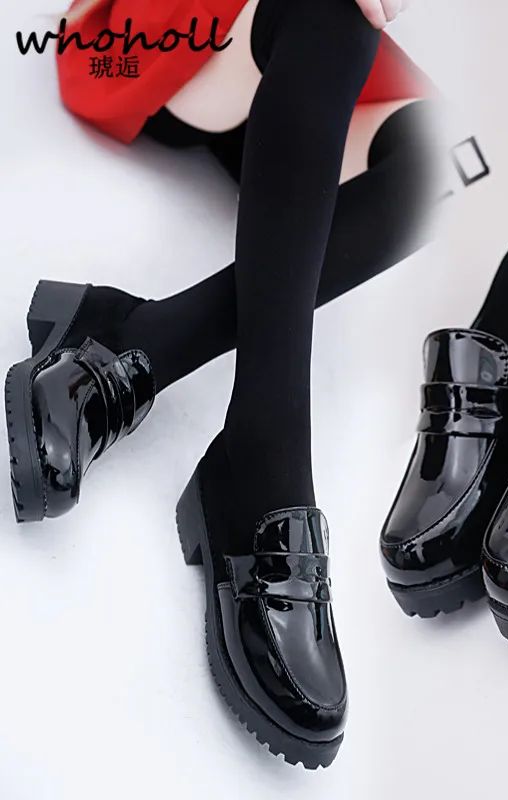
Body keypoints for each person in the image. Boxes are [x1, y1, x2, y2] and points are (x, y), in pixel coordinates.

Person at [5, 0, 439, 768]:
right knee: (335, 12)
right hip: (174, 29)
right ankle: (266, 463)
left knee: (443, 169)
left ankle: (140, 342)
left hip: (299, 62)